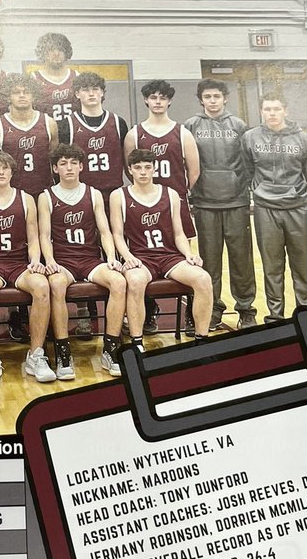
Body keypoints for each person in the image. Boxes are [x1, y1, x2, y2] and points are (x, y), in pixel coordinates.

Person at [38, 144, 128, 379]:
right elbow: (43, 235)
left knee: (118, 282)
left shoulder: (93, 194)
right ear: (55, 168)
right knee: (56, 285)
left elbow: (105, 232)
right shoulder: (46, 196)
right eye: (63, 163)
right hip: (63, 261)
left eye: (73, 163)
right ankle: (63, 352)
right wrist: (49, 260)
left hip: (90, 259)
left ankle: (111, 348)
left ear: (81, 166)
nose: (69, 168)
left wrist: (110, 258)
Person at [0, 151, 56, 386]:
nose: (1, 172)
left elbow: (34, 238)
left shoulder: (26, 199)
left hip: (19, 264)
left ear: (12, 172)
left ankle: (36, 355)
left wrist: (35, 260)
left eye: (5, 168)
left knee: (42, 285)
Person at [110, 148, 213, 343]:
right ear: (130, 170)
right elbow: (117, 234)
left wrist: (189, 254)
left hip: (169, 257)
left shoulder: (171, 194)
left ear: (154, 169)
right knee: (135, 281)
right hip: (140, 258)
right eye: (138, 167)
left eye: (147, 167)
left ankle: (202, 340)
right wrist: (128, 258)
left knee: (203, 279)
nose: (143, 172)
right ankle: (137, 342)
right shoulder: (119, 196)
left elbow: (179, 233)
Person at [0, 73, 59, 341]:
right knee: (16, 252)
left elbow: (54, 159)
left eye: (26, 92)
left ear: (33, 95)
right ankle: (16, 316)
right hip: (10, 197)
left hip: (42, 193)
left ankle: (45, 315)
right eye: (16, 92)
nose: (21, 96)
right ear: (9, 96)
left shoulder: (48, 123)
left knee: (46, 247)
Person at [125, 79, 200, 334]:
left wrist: (176, 194)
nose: (158, 101)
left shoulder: (182, 132)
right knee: (143, 256)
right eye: (153, 97)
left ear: (169, 101)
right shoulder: (135, 133)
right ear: (146, 100)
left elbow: (194, 170)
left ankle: (191, 314)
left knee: (184, 257)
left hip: (174, 202)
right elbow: (130, 166)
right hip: (144, 202)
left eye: (162, 97)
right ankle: (149, 313)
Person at [184, 78, 257, 330]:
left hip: (235, 202)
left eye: (217, 96)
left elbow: (248, 163)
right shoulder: (191, 125)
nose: (212, 101)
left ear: (225, 98)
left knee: (241, 259)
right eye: (207, 97)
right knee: (210, 261)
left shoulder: (239, 125)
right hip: (205, 203)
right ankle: (212, 308)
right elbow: (187, 163)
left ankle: (246, 309)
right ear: (201, 100)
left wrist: (241, 187)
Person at [242, 94, 307, 322]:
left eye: (276, 109)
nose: (272, 113)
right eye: (267, 109)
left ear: (286, 111)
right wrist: (259, 190)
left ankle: (306, 313)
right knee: (272, 265)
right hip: (266, 208)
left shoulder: (303, 139)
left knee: (302, 264)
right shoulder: (250, 137)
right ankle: (275, 316)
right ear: (261, 112)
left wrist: (297, 192)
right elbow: (247, 170)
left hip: (298, 208)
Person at [65, 71, 129, 336]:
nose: (91, 94)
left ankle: (126, 313)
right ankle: (85, 315)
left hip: (113, 195)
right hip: (81, 197)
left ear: (102, 93)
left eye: (96, 89)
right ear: (77, 94)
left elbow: (128, 161)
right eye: (85, 89)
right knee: (83, 255)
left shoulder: (118, 122)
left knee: (123, 252)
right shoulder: (66, 124)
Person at [32, 31, 76, 122]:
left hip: (73, 132)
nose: (56, 53)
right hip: (46, 131)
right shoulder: (34, 78)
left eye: (60, 49)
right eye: (51, 49)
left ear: (66, 52)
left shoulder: (76, 77)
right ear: (43, 53)